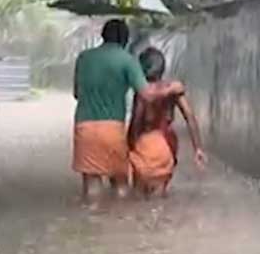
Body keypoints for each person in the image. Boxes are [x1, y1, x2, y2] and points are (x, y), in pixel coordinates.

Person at [72, 20, 183, 209]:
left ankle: (91, 223)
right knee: (120, 184)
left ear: (103, 36)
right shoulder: (127, 60)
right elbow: (147, 94)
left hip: (84, 126)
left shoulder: (84, 58)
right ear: (124, 39)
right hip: (112, 129)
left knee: (92, 186)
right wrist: (172, 88)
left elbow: (76, 93)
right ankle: (121, 225)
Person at [128, 47, 206, 199]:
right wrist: (198, 148)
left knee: (137, 199)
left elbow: (136, 121)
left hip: (145, 144)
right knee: (159, 198)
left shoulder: (142, 92)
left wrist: (129, 146)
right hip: (167, 145)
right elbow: (189, 116)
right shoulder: (173, 89)